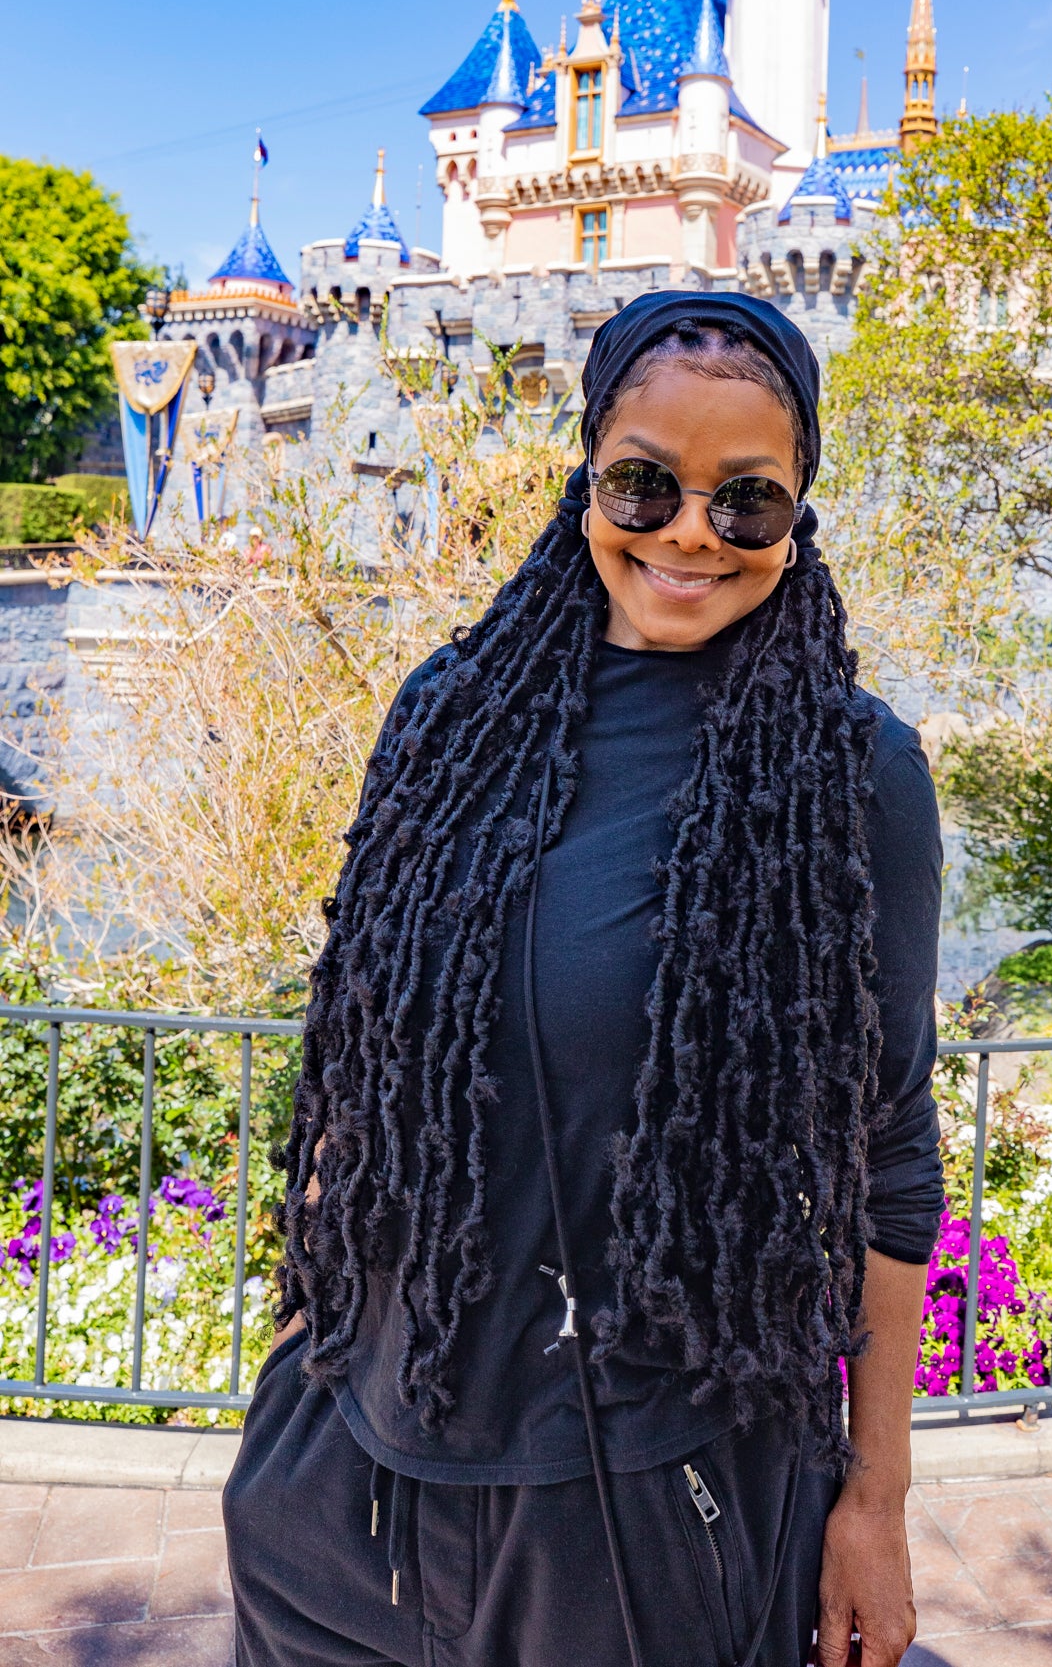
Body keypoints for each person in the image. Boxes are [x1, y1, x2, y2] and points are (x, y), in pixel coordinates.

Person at [223, 291, 943, 1667]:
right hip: (341, 1476)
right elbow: (358, 1049)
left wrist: (876, 1501)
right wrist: (299, 1352)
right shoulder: (447, 715)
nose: (690, 532)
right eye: (644, 483)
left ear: (797, 515)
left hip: (633, 1508)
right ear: (588, 478)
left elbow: (890, 1150)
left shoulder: (852, 774)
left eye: (747, 499)